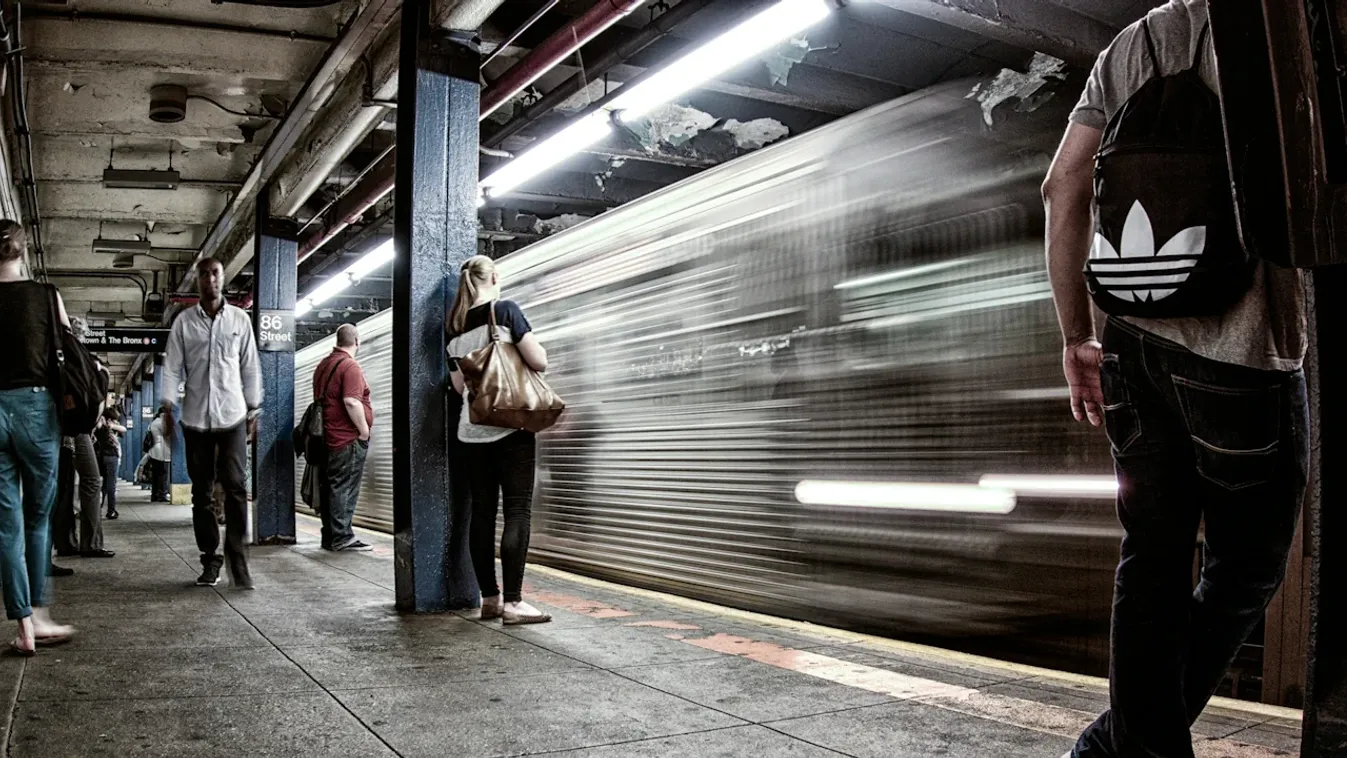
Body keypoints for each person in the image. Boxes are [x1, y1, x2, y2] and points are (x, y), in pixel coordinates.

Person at [1041, 2, 1309, 756]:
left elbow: (1061, 186)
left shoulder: (1135, 42)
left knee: (1151, 553)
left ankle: (1129, 744)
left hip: (1127, 343)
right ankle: (1122, 745)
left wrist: (1075, 337)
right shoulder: (1287, 30)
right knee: (1246, 566)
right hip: (1241, 347)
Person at [446, 255, 552, 625]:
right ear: (493, 275)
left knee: (482, 513)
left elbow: (458, 386)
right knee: (517, 510)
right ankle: (514, 602)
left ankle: (489, 599)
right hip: (511, 426)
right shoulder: (505, 310)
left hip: (471, 431)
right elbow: (537, 361)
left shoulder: (455, 326)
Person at [161, 256, 262, 589]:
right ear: (198, 281)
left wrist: (253, 408)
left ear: (223, 279)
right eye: (203, 275)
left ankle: (238, 559)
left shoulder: (239, 320)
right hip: (195, 420)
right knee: (201, 494)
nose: (210, 279)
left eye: (215, 273)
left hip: (232, 416)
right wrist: (166, 407)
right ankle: (210, 559)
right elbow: (172, 367)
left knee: (236, 488)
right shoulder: (183, 323)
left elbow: (249, 365)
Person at [0, 219, 76, 655]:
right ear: (23, 251)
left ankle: (22, 624)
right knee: (37, 517)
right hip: (36, 409)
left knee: (6, 523)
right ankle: (40, 614)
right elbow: (67, 350)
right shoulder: (47, 297)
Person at [311, 324, 373, 552]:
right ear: (357, 341)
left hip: (326, 438)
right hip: (346, 439)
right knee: (344, 488)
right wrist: (363, 430)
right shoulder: (350, 366)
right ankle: (342, 536)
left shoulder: (323, 365)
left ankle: (329, 535)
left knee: (331, 487)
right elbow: (351, 401)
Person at [94, 408, 125, 521]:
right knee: (111, 485)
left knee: (105, 486)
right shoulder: (106, 426)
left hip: (102, 457)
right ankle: (111, 510)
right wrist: (111, 425)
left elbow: (123, 429)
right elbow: (123, 429)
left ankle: (98, 509)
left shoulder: (101, 425)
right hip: (111, 457)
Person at [146, 408, 171, 502]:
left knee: (156, 474)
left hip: (154, 450)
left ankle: (155, 495)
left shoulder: (154, 422)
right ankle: (162, 494)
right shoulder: (161, 422)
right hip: (161, 451)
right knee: (163, 474)